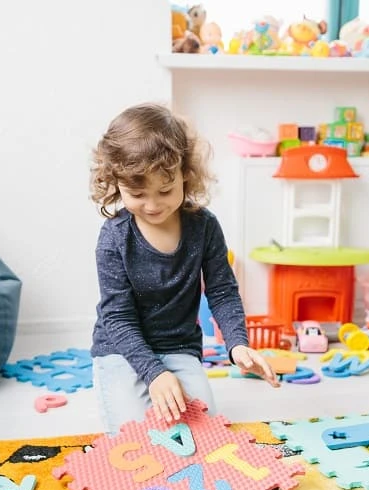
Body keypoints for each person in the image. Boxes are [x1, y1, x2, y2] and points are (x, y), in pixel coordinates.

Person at [89, 102, 280, 435]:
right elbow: (117, 317)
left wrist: (238, 344)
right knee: (137, 437)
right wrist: (155, 374)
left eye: (165, 190)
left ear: (185, 174)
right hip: (121, 350)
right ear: (115, 183)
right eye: (136, 193)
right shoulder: (113, 238)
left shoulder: (203, 227)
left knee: (203, 436)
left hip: (179, 347)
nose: (152, 205)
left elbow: (222, 290)